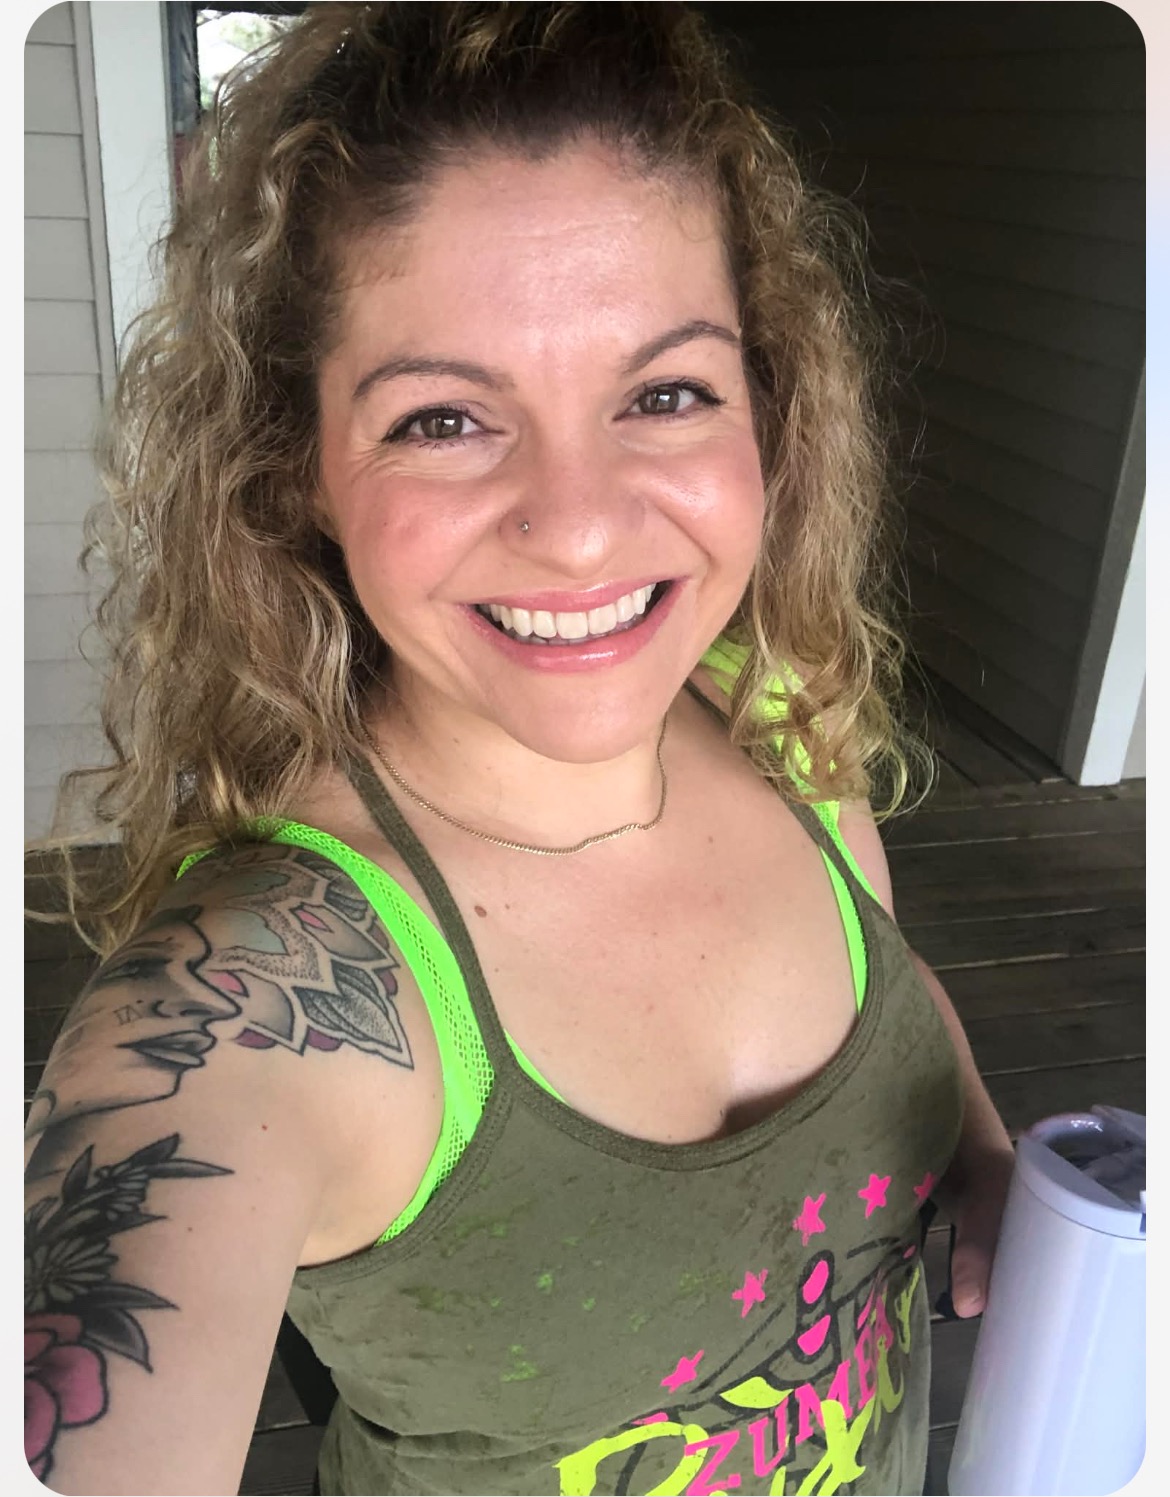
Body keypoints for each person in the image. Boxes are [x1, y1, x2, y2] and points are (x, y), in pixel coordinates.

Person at [24, 4, 1016, 1493]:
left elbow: (887, 977)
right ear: (298, 471)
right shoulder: (248, 1016)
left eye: (665, 393)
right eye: (443, 419)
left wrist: (983, 1157)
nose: (580, 526)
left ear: (769, 409)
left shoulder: (775, 718)